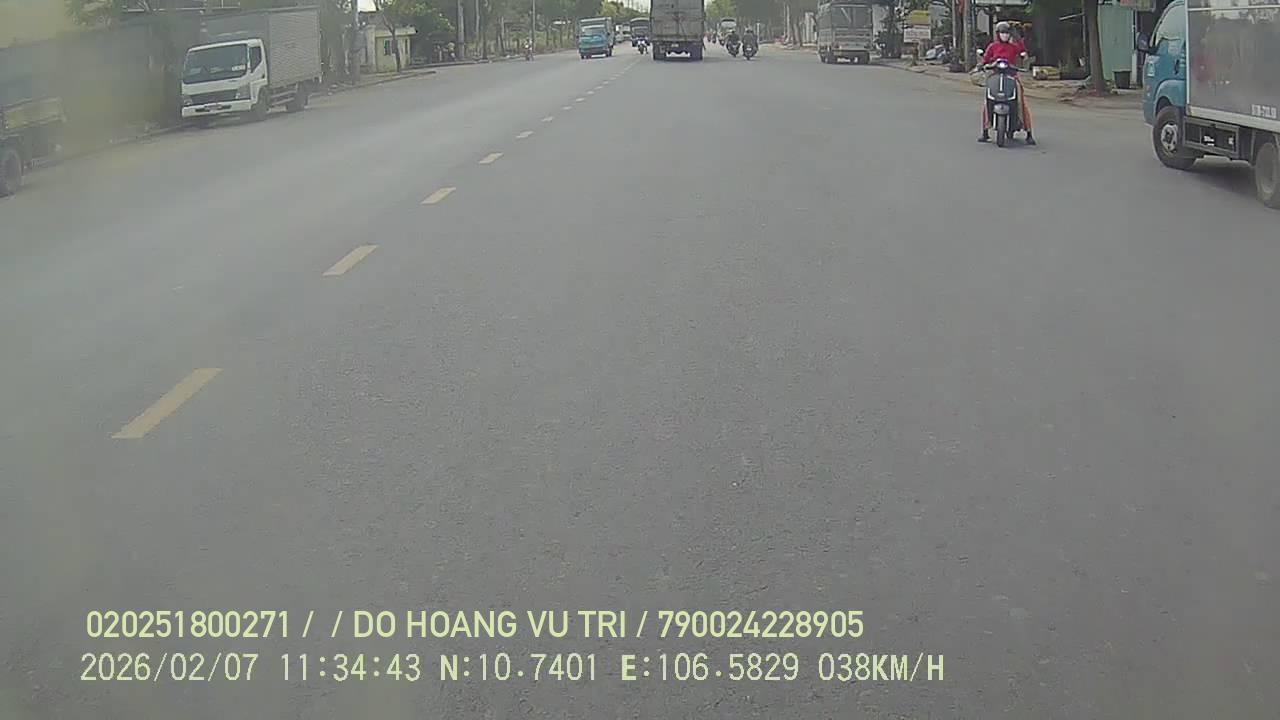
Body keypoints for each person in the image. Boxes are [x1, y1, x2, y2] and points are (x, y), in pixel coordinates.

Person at [979, 21, 1035, 145]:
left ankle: (1029, 133)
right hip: (995, 76)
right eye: (1002, 32)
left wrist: (1019, 42)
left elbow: (1022, 54)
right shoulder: (993, 46)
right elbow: (985, 59)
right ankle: (985, 131)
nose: (1005, 35)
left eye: (1007, 33)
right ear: (998, 34)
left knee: (1020, 101)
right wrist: (981, 65)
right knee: (988, 99)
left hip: (1011, 76)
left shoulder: (1014, 47)